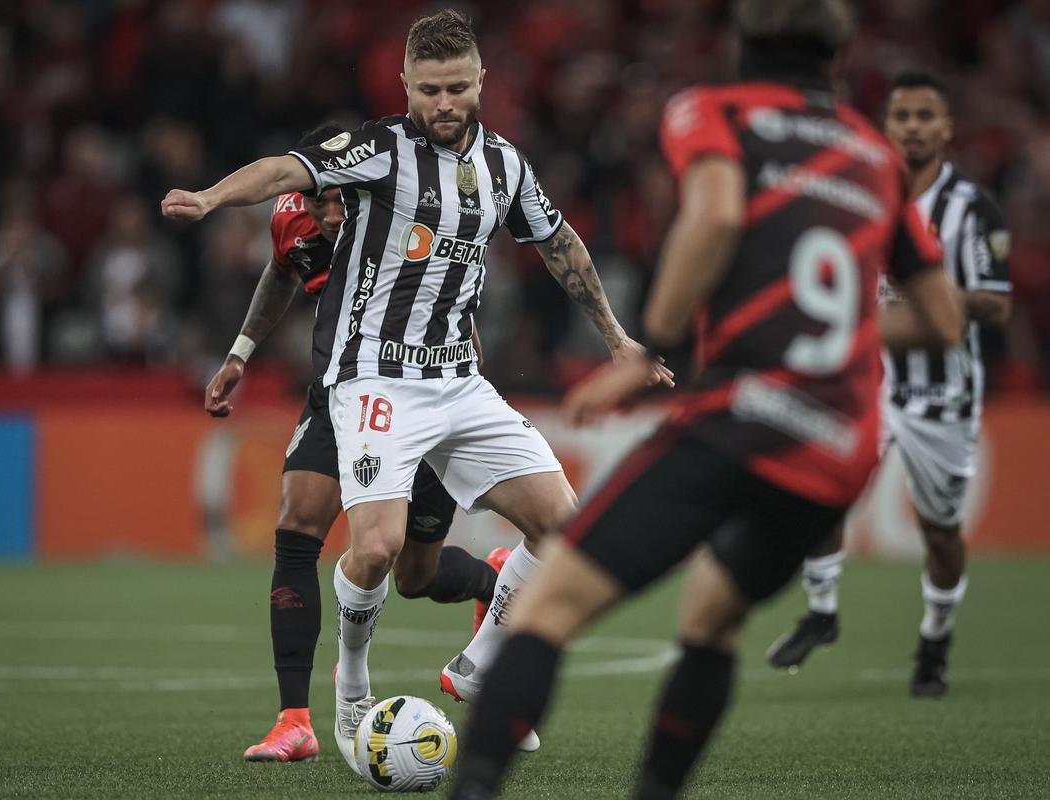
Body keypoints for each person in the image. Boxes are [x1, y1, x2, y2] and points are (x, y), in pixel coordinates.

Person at [447, 2, 967, 798]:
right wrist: (834, 334)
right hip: (835, 452)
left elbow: (718, 210)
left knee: (546, 606)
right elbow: (939, 319)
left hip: (739, 418)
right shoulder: (875, 155)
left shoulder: (713, 112)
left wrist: (646, 349)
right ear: (835, 62)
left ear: (740, 48)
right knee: (711, 620)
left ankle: (473, 788)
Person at [164, 9, 669, 771]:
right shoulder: (378, 147)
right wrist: (208, 198)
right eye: (428, 89)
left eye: (457, 87)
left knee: (568, 530)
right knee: (377, 550)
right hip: (373, 380)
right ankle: (351, 689)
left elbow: (559, 242)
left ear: (480, 81)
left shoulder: (505, 165)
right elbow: (283, 172)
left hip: (458, 385)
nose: (443, 103)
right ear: (405, 85)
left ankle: (479, 662)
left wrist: (615, 338)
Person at [204, 124, 506, 763]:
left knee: (414, 574)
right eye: (325, 200)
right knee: (298, 525)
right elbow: (283, 271)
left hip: (421, 396)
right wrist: (240, 353)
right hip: (338, 391)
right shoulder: (293, 215)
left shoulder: (397, 207)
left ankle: (489, 579)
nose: (337, 212)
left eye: (346, 199)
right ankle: (294, 720)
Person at [766, 70, 1012, 697]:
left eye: (926, 116)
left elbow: (997, 303)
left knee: (939, 532)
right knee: (819, 495)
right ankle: (821, 613)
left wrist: (933, 298)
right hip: (864, 381)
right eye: (902, 117)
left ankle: (935, 636)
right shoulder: (859, 194)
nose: (913, 128)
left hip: (942, 393)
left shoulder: (970, 208)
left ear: (947, 127)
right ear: (887, 127)